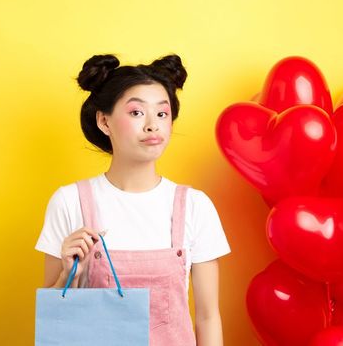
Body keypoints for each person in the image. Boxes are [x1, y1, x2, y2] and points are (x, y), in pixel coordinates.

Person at [34, 54, 230, 345]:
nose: (152, 125)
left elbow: (208, 317)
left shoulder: (195, 206)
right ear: (104, 121)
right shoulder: (70, 201)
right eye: (137, 113)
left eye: (162, 114)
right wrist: (69, 273)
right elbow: (56, 312)